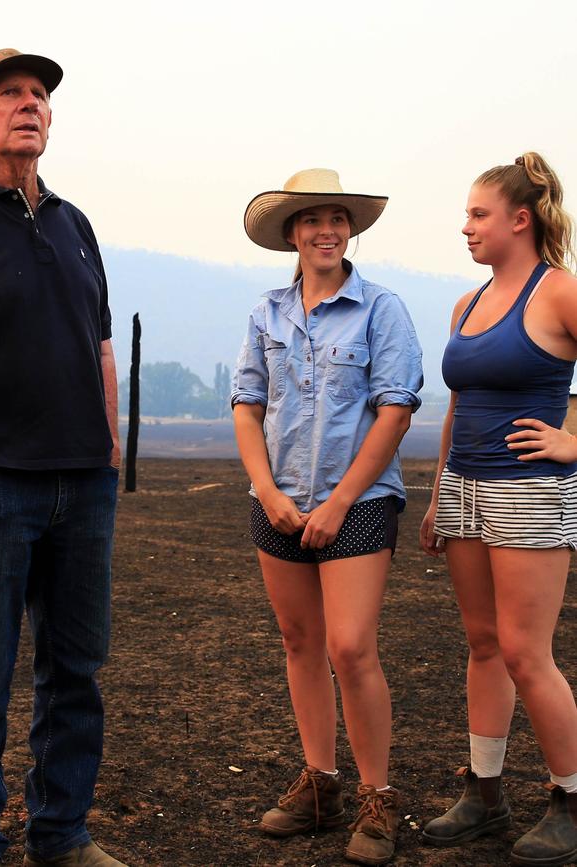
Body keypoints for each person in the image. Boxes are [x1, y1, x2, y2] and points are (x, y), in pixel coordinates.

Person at [0, 49, 127, 867]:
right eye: (7, 93)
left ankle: (62, 834)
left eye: (39, 94)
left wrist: (108, 448)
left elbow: (103, 345)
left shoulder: (75, 223)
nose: (28, 105)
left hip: (83, 486)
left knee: (75, 671)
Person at [231, 168, 423, 865]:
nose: (327, 230)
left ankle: (379, 797)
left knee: (350, 646)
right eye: (313, 220)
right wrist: (268, 490)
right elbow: (247, 404)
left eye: (338, 218)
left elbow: (395, 409)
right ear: (292, 233)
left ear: (351, 230)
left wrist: (339, 500)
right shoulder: (266, 314)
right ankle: (321, 782)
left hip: (360, 502)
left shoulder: (382, 309)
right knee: (299, 640)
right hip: (275, 500)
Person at [419, 152, 577, 866]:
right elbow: (457, 402)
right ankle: (486, 794)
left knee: (525, 651)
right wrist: (436, 494)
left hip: (529, 493)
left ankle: (570, 799)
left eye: (478, 214)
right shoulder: (466, 303)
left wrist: (572, 444)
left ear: (520, 219)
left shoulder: (561, 292)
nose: (466, 227)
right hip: (465, 489)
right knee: (483, 644)